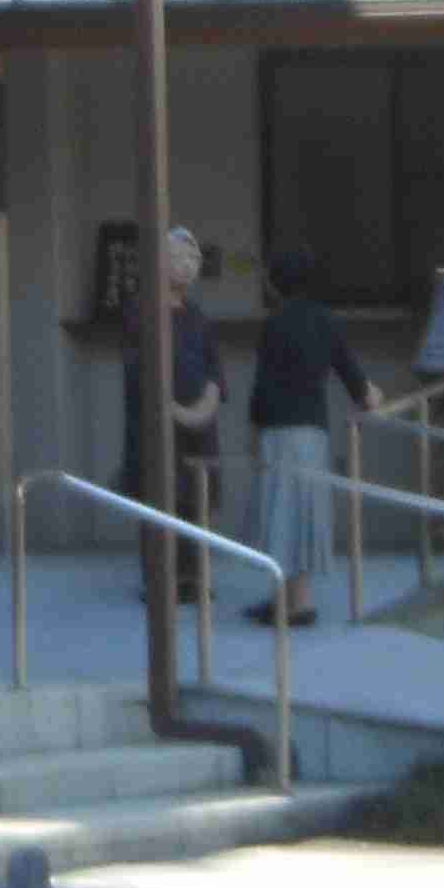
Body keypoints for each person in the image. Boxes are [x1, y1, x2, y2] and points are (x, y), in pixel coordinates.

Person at [244, 242, 378, 625]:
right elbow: (357, 383)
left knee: (279, 513)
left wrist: (252, 430)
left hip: (276, 430)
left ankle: (289, 603)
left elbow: (262, 386)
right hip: (312, 431)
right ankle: (296, 601)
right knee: (304, 514)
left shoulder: (273, 324)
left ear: (276, 281)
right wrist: (373, 395)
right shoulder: (327, 321)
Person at [117, 224, 223, 608]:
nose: (191, 263)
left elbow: (214, 370)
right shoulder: (140, 312)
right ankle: (161, 579)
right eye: (182, 255)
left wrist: (203, 408)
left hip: (200, 428)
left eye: (195, 256)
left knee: (197, 503)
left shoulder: (199, 316)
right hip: (157, 428)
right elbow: (141, 371)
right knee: (160, 500)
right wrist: (173, 411)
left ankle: (195, 577)